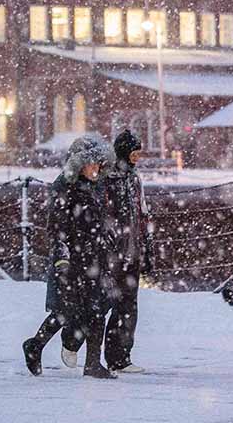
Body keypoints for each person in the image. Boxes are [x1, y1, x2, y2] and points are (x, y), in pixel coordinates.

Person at [60, 129, 154, 374]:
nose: (137, 157)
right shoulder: (106, 180)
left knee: (128, 306)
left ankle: (119, 357)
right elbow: (98, 213)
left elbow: (142, 214)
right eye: (134, 152)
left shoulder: (134, 180)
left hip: (130, 251)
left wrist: (147, 247)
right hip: (109, 253)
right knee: (100, 304)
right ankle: (72, 340)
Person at [22, 136, 117, 379]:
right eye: (92, 163)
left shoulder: (96, 186)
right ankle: (36, 345)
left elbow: (99, 220)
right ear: (80, 164)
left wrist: (107, 238)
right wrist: (62, 257)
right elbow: (56, 226)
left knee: (96, 310)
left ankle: (93, 364)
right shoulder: (64, 186)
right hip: (72, 261)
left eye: (99, 163)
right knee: (66, 312)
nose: (97, 168)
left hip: (94, 257)